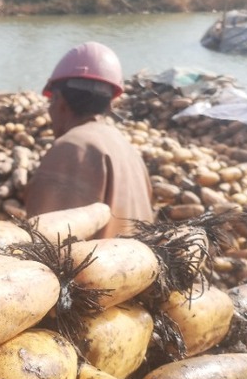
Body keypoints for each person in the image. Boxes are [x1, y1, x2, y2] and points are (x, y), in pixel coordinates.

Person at [24, 41, 154, 239]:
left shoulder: (71, 148)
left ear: (59, 101)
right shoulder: (127, 147)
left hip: (95, 269)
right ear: (110, 105)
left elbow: (44, 243)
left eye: (51, 102)